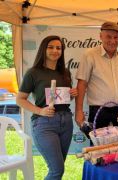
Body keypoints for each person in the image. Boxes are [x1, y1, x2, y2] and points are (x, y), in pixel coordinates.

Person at [16, 35, 78, 180]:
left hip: (66, 121)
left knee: (59, 167)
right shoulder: (33, 73)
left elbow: (63, 98)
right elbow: (20, 99)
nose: (55, 51)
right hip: (44, 124)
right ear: (43, 49)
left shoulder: (65, 72)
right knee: (57, 170)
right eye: (51, 47)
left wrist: (72, 94)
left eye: (58, 48)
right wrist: (40, 111)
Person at [75, 21, 118, 131]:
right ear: (101, 36)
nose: (113, 41)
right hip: (98, 111)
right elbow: (82, 84)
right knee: (98, 146)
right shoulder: (89, 55)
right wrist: (79, 111)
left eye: (116, 37)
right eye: (108, 37)